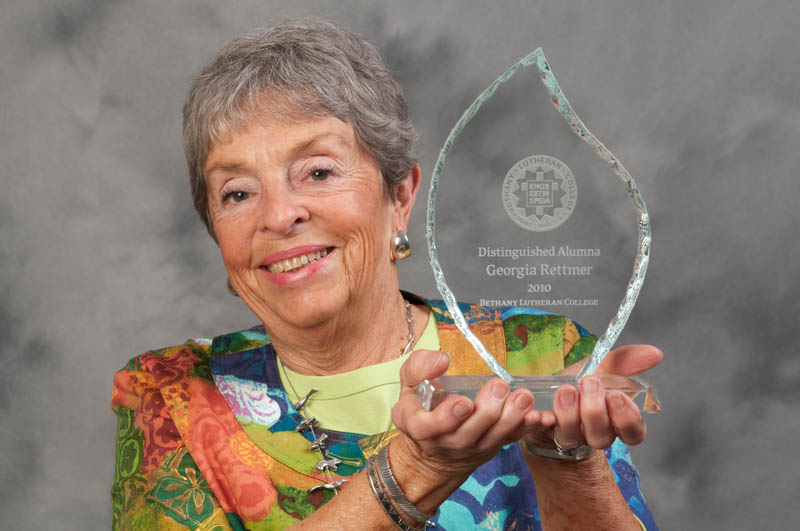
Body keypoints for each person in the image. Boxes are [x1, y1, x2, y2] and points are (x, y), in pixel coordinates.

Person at [111, 19, 661, 530]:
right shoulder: (173, 397)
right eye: (237, 192)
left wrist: (565, 461)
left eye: (318, 171)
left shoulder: (540, 358)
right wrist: (412, 473)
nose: (279, 216)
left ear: (398, 197)